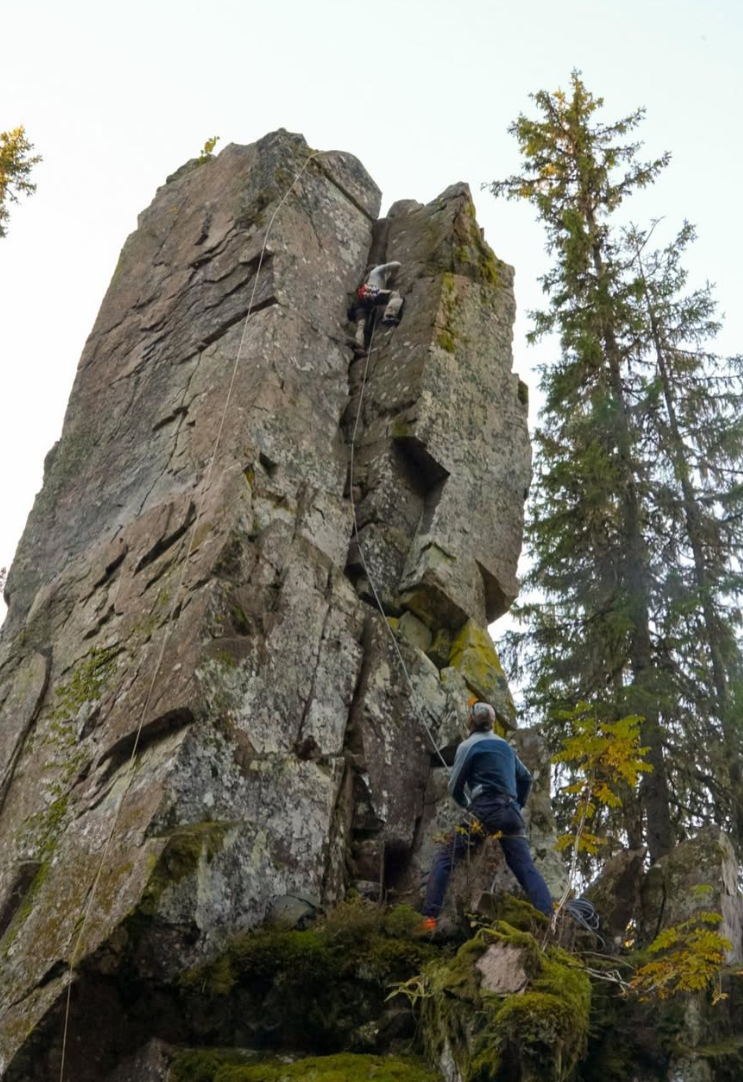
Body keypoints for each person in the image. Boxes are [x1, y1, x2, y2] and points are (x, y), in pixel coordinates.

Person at [421, 701, 553, 930]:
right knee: (525, 868)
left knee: (445, 857)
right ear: (492, 723)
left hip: (483, 810)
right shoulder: (506, 747)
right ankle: (549, 916)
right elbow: (526, 778)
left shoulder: (468, 746)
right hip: (510, 812)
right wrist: (518, 805)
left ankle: (429, 918)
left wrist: (468, 805)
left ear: (471, 721)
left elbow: (454, 788)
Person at [348, 261, 404, 356]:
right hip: (370, 291)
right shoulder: (377, 270)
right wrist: (392, 277)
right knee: (395, 295)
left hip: (361, 302)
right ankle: (389, 314)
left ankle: (359, 345)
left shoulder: (368, 280)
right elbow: (397, 264)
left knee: (362, 325)